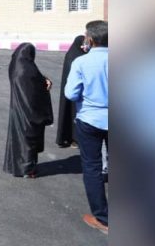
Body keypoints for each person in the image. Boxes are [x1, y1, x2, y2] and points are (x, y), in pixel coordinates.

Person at [64, 20, 108, 234]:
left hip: (90, 119)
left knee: (92, 167)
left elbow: (70, 93)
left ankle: (104, 218)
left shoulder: (82, 62)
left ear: (90, 39)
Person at [2, 43, 53, 178]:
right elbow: (36, 85)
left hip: (17, 108)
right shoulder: (28, 69)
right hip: (29, 111)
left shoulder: (15, 65)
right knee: (28, 139)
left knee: (17, 138)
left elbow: (36, 80)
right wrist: (45, 83)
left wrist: (42, 80)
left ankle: (17, 166)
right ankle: (28, 169)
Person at [56, 35, 87, 147]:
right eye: (83, 44)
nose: (84, 46)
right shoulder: (76, 57)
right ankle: (75, 138)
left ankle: (72, 138)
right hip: (75, 92)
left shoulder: (73, 55)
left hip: (73, 91)